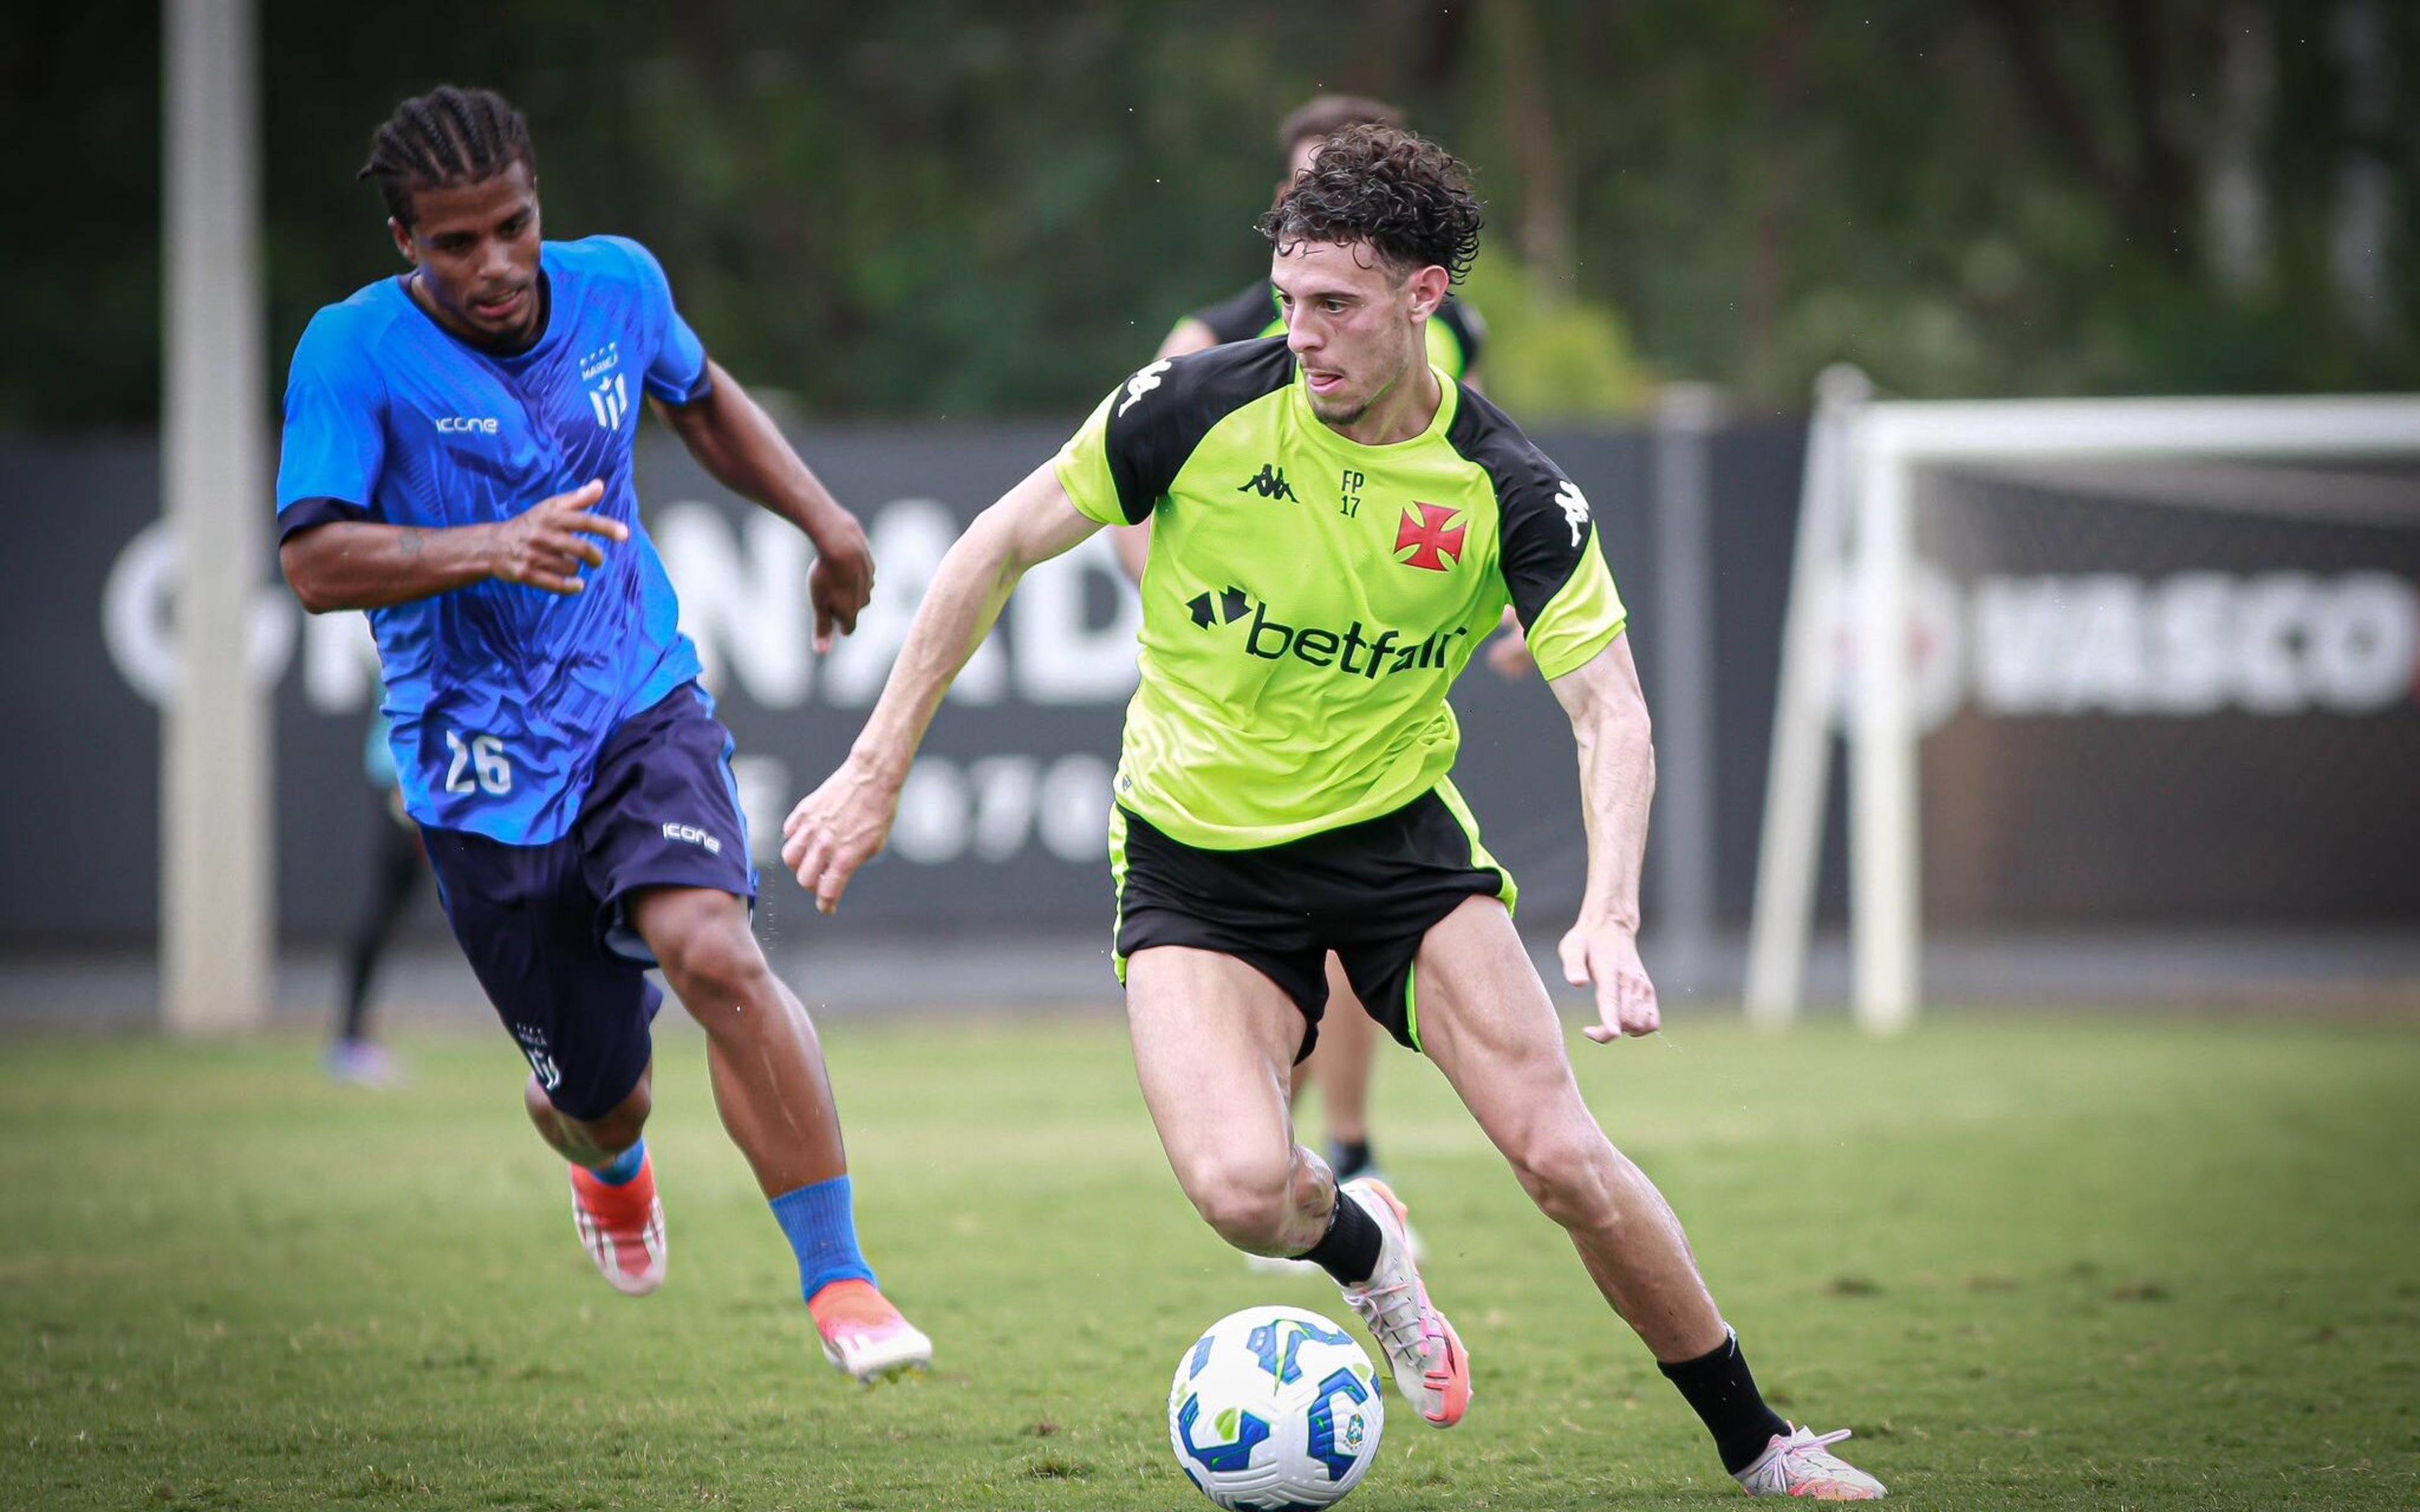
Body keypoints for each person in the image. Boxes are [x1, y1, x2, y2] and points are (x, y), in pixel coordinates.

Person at [783, 125, 1884, 1496]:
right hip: (1197, 863)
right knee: (1247, 1192)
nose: (1301, 334)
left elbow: (1614, 713)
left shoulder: (1511, 488)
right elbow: (994, 546)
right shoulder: (1190, 404)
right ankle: (1370, 1256)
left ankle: (1763, 1445)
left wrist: (1610, 905)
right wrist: (879, 765)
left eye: (1337, 307)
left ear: (1425, 296)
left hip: (1396, 852)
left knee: (1562, 1157)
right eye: (1290, 298)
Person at [275, 85, 930, 1383]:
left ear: (537, 203)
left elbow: (701, 398)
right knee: (596, 1095)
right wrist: (487, 547)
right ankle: (616, 1170)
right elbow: (314, 558)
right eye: (456, 243)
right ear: (405, 241)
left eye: (513, 226)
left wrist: (830, 524)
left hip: (637, 697)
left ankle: (842, 1280)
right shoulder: (349, 353)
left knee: (714, 950)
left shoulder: (618, 285)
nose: (497, 265)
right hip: (476, 778)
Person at [1121, 96, 1497, 1259]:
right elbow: (1134, 494)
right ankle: (1287, 1158)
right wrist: (1185, 609)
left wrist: (1522, 601)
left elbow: (1464, 469)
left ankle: (1352, 1147)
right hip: (1232, 677)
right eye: (1300, 187)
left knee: (1347, 919)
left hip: (1359, 672)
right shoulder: (1215, 343)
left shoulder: (1445, 334)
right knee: (1265, 934)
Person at [326, 702, 418, 1087]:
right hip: (402, 775)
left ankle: (351, 1039)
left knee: (392, 905)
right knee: (381, 906)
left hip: (423, 772)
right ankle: (348, 1041)